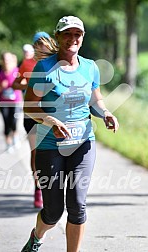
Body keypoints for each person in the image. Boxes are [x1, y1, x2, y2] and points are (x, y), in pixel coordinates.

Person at [21, 16, 119, 252]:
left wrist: (105, 113)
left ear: (82, 38)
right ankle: (37, 237)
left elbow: (95, 100)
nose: (72, 39)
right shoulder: (45, 68)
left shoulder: (89, 67)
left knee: (77, 205)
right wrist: (49, 119)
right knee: (53, 211)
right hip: (50, 145)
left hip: (83, 143)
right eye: (67, 34)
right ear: (58, 36)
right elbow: (29, 106)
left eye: (77, 34)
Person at [12, 32, 58, 208]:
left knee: (54, 152)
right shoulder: (28, 63)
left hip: (51, 113)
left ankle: (54, 187)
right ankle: (38, 188)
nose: (40, 47)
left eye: (43, 44)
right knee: (36, 153)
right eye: (37, 44)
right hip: (31, 114)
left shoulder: (56, 62)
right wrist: (28, 84)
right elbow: (16, 84)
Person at [0, 52, 23, 152]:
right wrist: (2, 86)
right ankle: (8, 143)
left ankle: (15, 136)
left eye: (8, 59)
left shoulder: (17, 71)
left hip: (15, 101)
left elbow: (23, 84)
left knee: (14, 121)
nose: (6, 61)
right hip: (3, 102)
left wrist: (17, 84)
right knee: (6, 123)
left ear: (12, 60)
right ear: (2, 61)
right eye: (5, 59)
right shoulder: (0, 73)